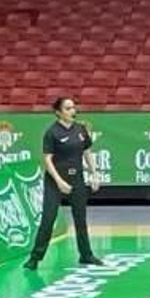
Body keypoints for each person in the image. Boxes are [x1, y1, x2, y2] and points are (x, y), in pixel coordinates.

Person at [26, 96, 101, 271]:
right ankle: (35, 258)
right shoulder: (52, 132)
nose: (72, 111)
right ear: (58, 113)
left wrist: (95, 174)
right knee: (48, 218)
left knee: (80, 218)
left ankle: (86, 255)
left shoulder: (81, 129)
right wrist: (59, 181)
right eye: (68, 108)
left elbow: (87, 152)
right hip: (55, 181)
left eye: (73, 107)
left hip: (77, 180)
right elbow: (47, 160)